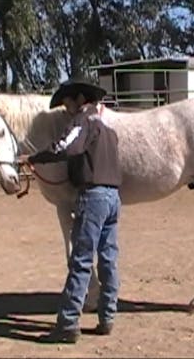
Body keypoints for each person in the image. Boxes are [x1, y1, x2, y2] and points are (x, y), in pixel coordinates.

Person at [19, 79, 122, 344]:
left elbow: (66, 147)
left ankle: (68, 323)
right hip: (113, 197)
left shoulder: (82, 123)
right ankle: (107, 317)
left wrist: (34, 158)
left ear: (78, 99)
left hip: (94, 197)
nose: (66, 110)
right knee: (108, 258)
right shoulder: (109, 132)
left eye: (67, 104)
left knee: (81, 260)